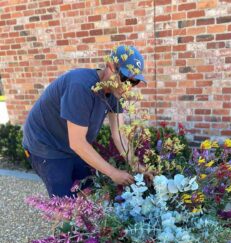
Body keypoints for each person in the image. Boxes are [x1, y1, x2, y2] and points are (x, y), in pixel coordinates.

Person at [22, 45, 146, 197]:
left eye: (134, 82)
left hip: (72, 144)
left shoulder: (115, 90)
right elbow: (77, 143)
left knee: (89, 193)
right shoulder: (80, 86)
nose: (127, 87)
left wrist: (137, 165)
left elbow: (119, 135)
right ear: (110, 66)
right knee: (64, 205)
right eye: (125, 78)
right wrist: (113, 173)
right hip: (45, 145)